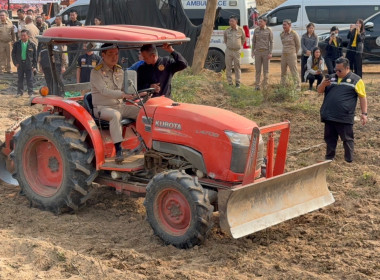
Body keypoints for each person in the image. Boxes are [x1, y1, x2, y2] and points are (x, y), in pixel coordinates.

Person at [91, 43, 142, 163]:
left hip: (120, 106)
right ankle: (118, 150)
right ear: (103, 55)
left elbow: (126, 88)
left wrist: (136, 93)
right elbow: (104, 90)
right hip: (102, 108)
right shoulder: (96, 72)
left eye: (116, 54)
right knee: (115, 115)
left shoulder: (120, 70)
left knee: (142, 111)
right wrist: (122, 95)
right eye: (110, 54)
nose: (114, 57)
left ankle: (144, 143)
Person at [317, 57, 367, 162]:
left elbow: (362, 97)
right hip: (329, 114)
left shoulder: (356, 80)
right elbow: (319, 91)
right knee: (330, 138)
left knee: (347, 139)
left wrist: (364, 113)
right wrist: (323, 84)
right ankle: (329, 158)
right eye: (336, 70)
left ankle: (349, 160)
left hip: (344, 116)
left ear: (347, 68)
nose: (337, 72)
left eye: (340, 70)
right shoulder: (330, 78)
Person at [12, 29, 37, 97]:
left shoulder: (32, 45)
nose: (22, 37)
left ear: (28, 36)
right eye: (21, 35)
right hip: (20, 64)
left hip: (29, 64)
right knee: (20, 79)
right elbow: (13, 54)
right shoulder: (17, 44)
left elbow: (35, 57)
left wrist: (34, 66)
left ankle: (30, 93)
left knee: (30, 79)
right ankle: (20, 92)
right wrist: (15, 63)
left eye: (24, 35)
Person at [251, 17, 273, 91]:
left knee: (266, 70)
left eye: (261, 22)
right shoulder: (256, 30)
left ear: (265, 22)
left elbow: (271, 42)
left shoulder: (269, 30)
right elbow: (253, 41)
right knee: (258, 70)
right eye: (259, 21)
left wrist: (270, 52)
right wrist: (252, 51)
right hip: (258, 52)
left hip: (266, 52)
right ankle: (257, 86)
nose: (259, 23)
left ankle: (265, 86)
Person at [223, 15, 245, 88]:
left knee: (237, 67)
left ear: (236, 21)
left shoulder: (240, 30)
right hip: (229, 51)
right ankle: (230, 83)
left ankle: (238, 83)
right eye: (230, 21)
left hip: (237, 51)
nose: (230, 22)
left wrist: (238, 46)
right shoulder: (227, 30)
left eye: (232, 21)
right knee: (228, 67)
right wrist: (230, 46)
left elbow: (243, 40)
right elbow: (225, 40)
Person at [280, 19, 300, 87]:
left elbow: (298, 45)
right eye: (283, 25)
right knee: (283, 72)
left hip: (291, 55)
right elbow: (283, 44)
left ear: (290, 25)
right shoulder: (282, 34)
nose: (283, 26)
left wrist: (294, 53)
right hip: (284, 55)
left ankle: (297, 87)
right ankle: (283, 86)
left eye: (285, 25)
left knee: (294, 72)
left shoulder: (294, 34)